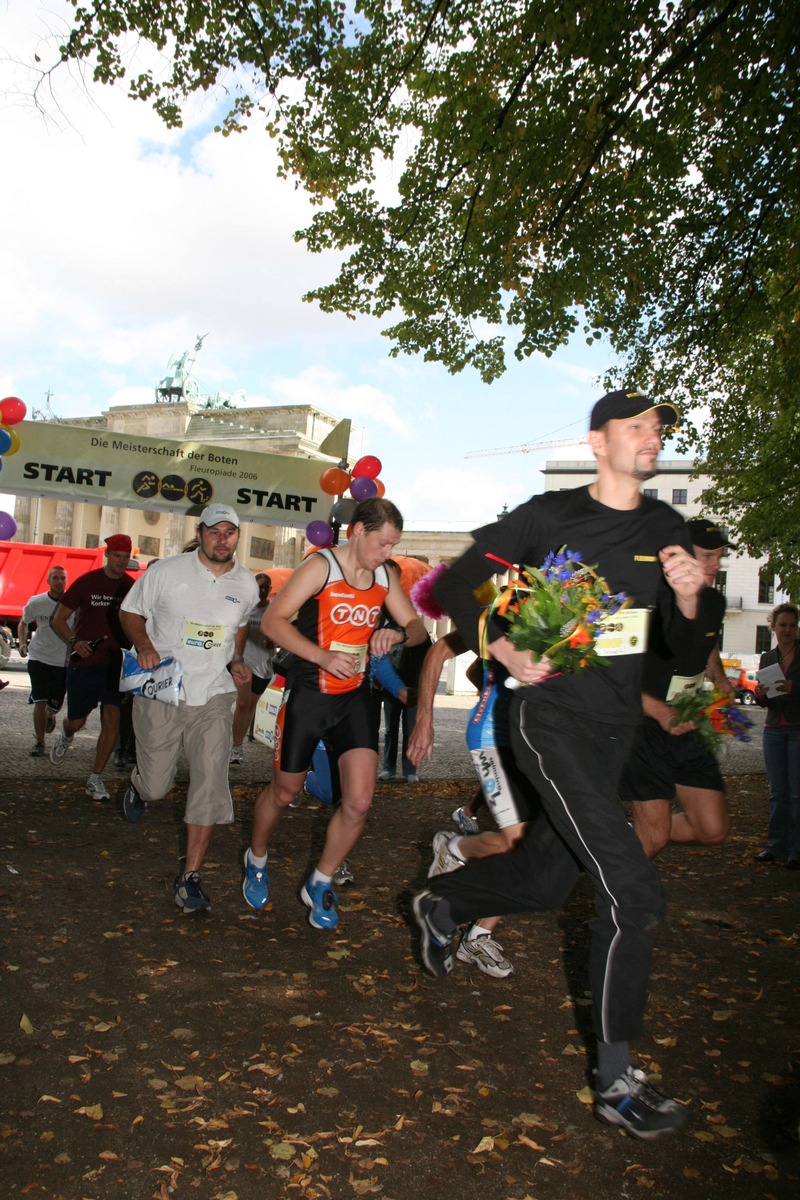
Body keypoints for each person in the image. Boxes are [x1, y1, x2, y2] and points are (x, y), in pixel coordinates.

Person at [413, 388, 707, 1141]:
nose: (652, 436)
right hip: (550, 720)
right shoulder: (550, 517)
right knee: (632, 893)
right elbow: (454, 583)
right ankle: (615, 1080)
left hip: (615, 733)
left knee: (548, 879)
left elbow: (678, 649)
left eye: (658, 427)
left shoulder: (664, 525)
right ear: (598, 442)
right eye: (636, 426)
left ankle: (445, 903)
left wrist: (690, 597)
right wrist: (499, 641)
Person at [243, 497, 427, 930]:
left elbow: (418, 628)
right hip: (310, 693)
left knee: (359, 802)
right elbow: (273, 622)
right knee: (284, 793)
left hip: (354, 698)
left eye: (394, 546)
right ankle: (256, 857)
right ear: (358, 532)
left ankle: (320, 881)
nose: (388, 554)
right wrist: (322, 657)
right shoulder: (320, 568)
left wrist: (396, 631)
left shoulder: (384, 575)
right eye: (383, 544)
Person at [119, 503, 258, 912]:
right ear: (200, 533)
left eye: (229, 532)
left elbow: (242, 623)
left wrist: (236, 659)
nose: (222, 539)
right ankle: (140, 785)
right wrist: (144, 645)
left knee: (211, 779)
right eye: (214, 531)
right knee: (158, 784)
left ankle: (191, 876)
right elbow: (129, 612)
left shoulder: (247, 584)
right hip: (164, 687)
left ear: (237, 536)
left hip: (213, 695)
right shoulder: (166, 572)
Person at [409, 630, 539, 979]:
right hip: (494, 739)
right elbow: (438, 651)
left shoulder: (582, 603)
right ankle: (455, 847)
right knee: (518, 844)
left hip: (542, 741)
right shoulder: (507, 605)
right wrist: (425, 719)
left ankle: (478, 936)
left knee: (540, 847)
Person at [620, 518, 736, 858]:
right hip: (643, 724)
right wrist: (658, 710)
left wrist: (719, 677)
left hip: (686, 720)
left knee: (711, 829)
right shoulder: (645, 601)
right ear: (677, 556)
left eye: (719, 556)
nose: (716, 564)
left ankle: (618, 842)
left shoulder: (713, 602)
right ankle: (617, 903)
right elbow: (613, 673)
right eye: (707, 555)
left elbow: (706, 643)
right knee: (653, 839)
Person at [50, 535, 135, 800]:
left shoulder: (131, 587)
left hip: (114, 666)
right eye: (118, 556)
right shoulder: (87, 582)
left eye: (126, 556)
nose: (122, 561)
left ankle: (95, 778)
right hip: (85, 664)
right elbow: (59, 619)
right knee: (77, 721)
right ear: (108, 554)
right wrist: (75, 642)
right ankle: (66, 733)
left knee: (112, 719)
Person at [753, 603, 800, 869]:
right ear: (773, 627)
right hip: (773, 729)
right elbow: (767, 701)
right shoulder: (767, 658)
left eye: (792, 625)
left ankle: (796, 850)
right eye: (783, 625)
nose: (788, 630)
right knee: (777, 792)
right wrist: (760, 696)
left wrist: (794, 687)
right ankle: (776, 846)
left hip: (797, 728)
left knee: (796, 794)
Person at [18, 565, 70, 757]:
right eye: (55, 578)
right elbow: (23, 623)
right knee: (39, 700)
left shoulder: (73, 603)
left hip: (63, 661)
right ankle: (39, 742)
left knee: (54, 704)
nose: (59, 581)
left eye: (62, 578)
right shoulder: (36, 602)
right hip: (39, 657)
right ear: (48, 581)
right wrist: (22, 644)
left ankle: (51, 714)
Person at [229, 572, 275, 765]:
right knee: (242, 704)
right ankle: (235, 747)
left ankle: (237, 745)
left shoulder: (273, 610)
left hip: (264, 665)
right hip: (244, 663)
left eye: (266, 587)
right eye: (259, 587)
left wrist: (273, 640)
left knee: (250, 706)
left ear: (270, 590)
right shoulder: (245, 609)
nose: (262, 591)